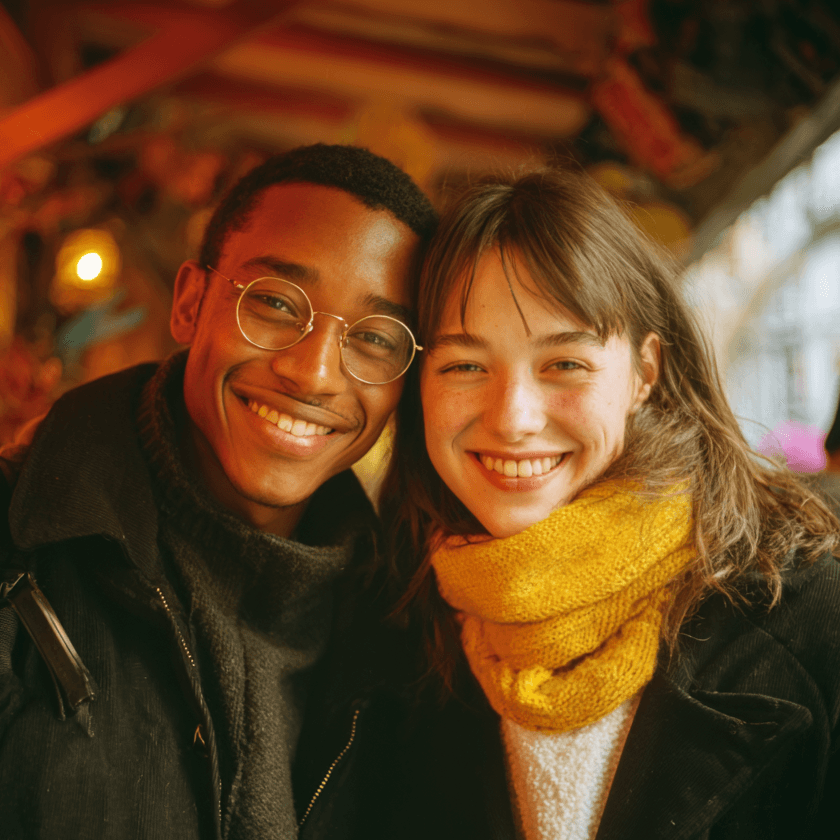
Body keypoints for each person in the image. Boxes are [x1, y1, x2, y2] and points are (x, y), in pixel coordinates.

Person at [294, 167, 840, 840]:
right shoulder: (401, 625)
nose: (514, 417)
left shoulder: (815, 617)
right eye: (465, 366)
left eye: (565, 364)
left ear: (647, 371)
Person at [0, 143, 437, 840]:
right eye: (273, 303)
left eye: (378, 338)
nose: (314, 373)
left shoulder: (407, 627)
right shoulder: (18, 542)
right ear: (190, 303)